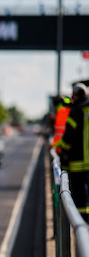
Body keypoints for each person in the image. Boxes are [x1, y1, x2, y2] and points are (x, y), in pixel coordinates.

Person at [57, 83, 89, 220]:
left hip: (78, 162)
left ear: (75, 96)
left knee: (79, 193)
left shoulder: (76, 111)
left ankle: (82, 222)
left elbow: (69, 137)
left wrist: (61, 149)